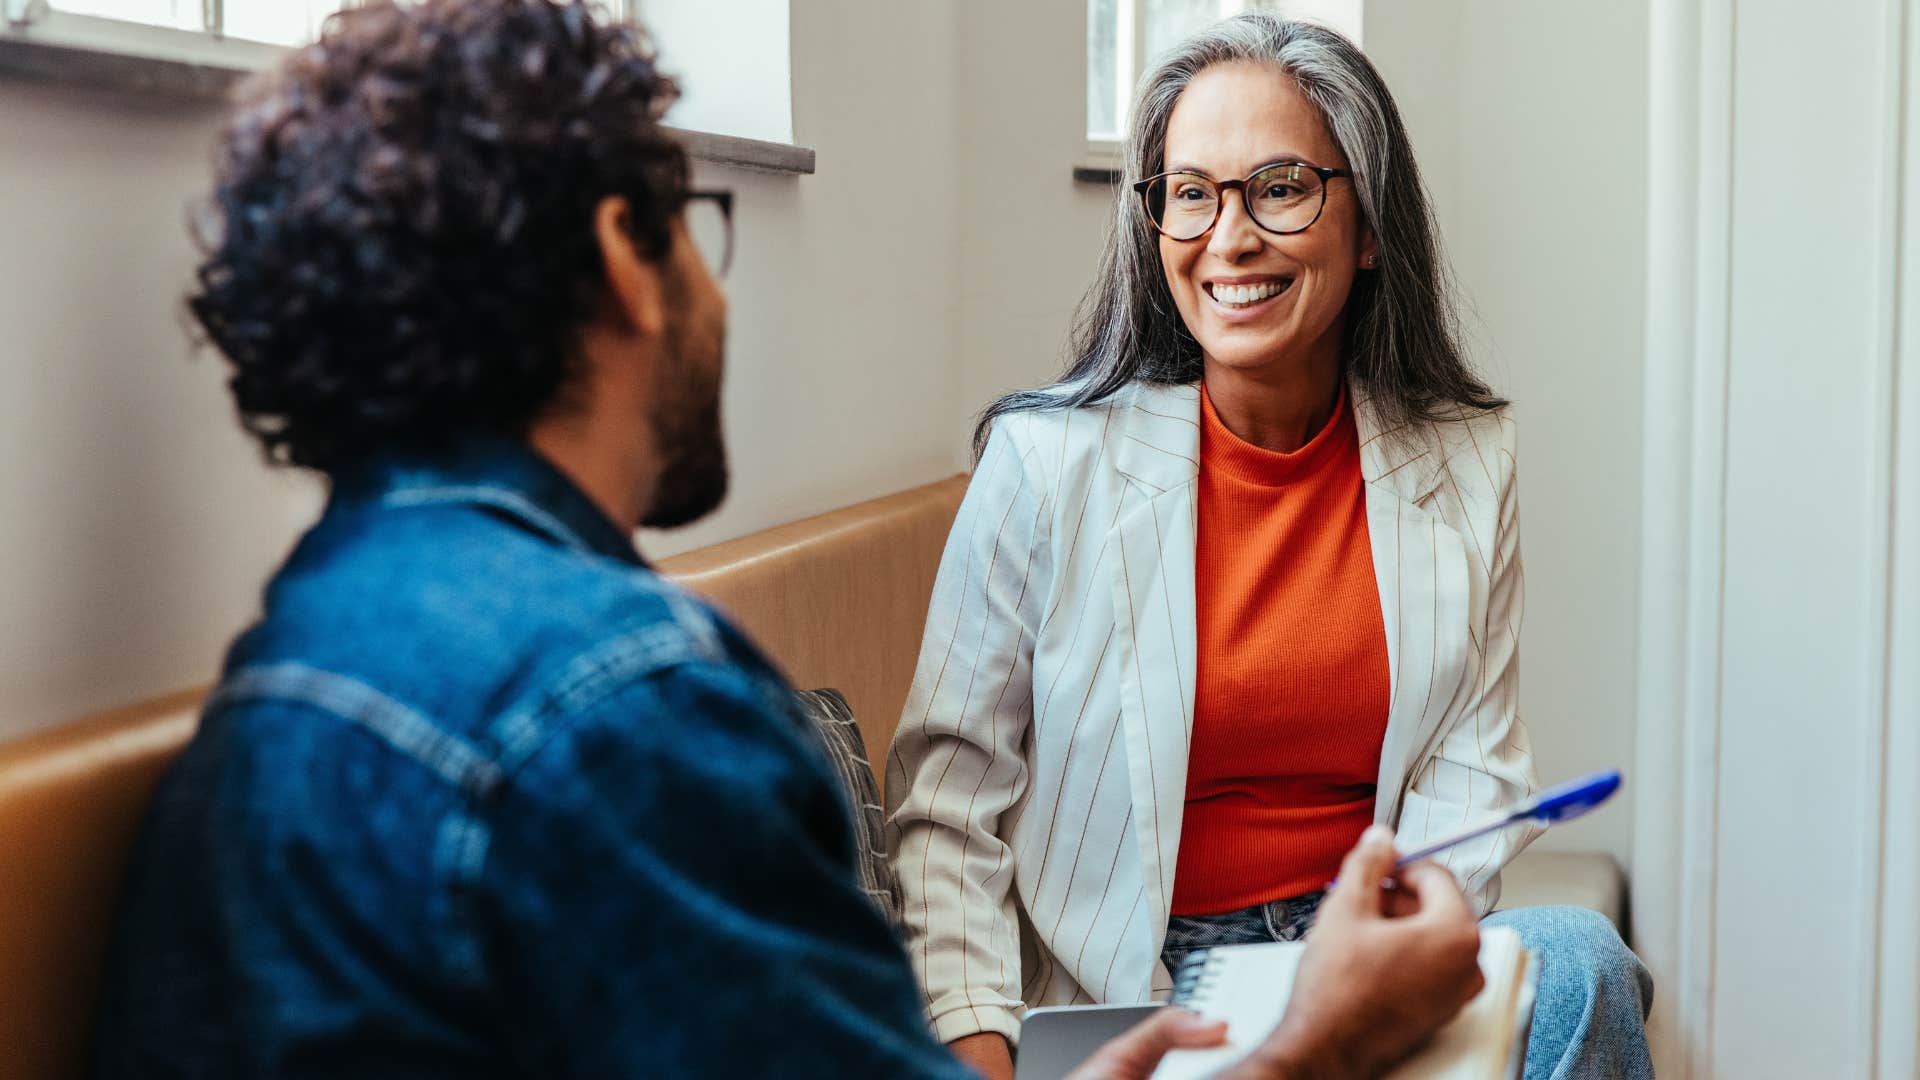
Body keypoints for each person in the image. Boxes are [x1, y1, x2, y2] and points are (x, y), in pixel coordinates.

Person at [87, 2, 1486, 1077]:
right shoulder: (629, 717)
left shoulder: (293, 652)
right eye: (697, 224)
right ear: (628, 263)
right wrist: (1315, 1050)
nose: (718, 291)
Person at [885, 15, 1653, 1080]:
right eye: (1190, 192)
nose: (1230, 237)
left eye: (1280, 186)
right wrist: (981, 1060)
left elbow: (1470, 775)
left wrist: (1368, 971)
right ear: (1153, 225)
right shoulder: (1043, 464)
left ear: (1369, 223)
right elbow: (947, 811)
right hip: (1145, 993)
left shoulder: (1471, 460)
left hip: (1364, 943)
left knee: (1580, 960)